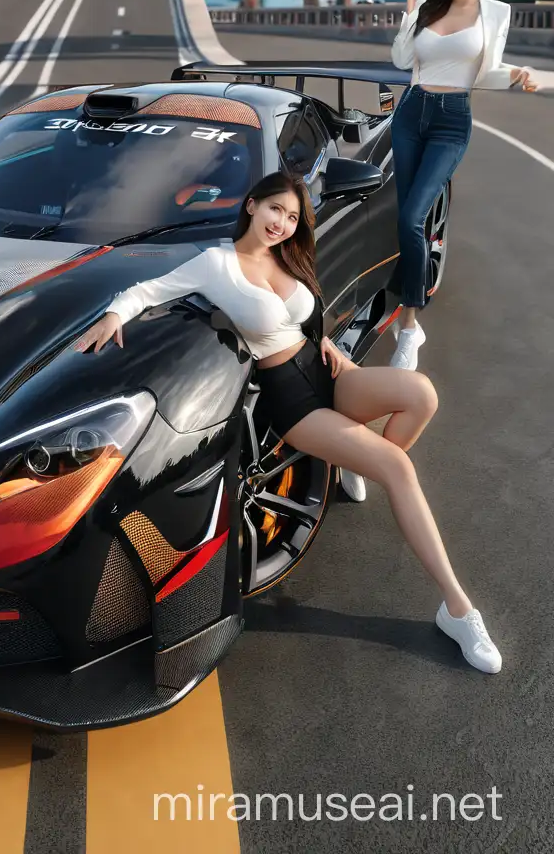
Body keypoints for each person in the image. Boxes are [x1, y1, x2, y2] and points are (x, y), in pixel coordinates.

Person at [74, 171, 502, 674]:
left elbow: (303, 312)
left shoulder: (285, 258)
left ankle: (353, 461)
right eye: (276, 209)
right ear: (252, 205)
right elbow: (149, 290)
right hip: (294, 401)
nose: (282, 223)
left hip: (324, 369)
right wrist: (113, 315)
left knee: (421, 395)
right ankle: (457, 607)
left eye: (293, 217)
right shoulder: (218, 264)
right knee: (398, 468)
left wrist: (320, 337)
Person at [387, 0, 537, 371]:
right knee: (404, 216)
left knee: (415, 217)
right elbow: (400, 61)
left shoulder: (496, 12)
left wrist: (517, 72)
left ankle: (410, 328)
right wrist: (410, 10)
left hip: (452, 119)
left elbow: (484, 72)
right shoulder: (429, 8)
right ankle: (401, 305)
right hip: (412, 113)